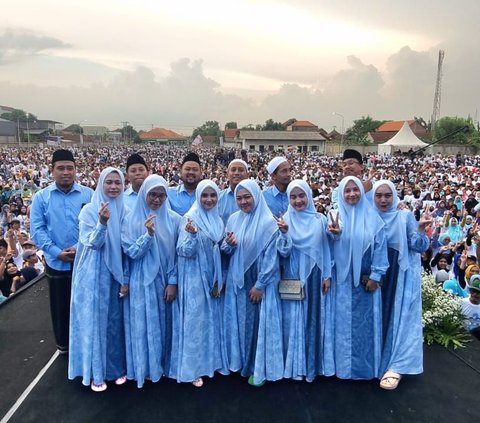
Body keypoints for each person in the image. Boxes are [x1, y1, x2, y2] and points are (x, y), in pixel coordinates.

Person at [68, 167, 128, 392]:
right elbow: (91, 242)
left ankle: (114, 369)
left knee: (114, 323)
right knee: (95, 323)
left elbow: (126, 246)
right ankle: (96, 372)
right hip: (93, 275)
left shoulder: (125, 210)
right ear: (101, 183)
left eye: (118, 183)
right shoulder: (89, 211)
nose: (113, 187)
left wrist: (126, 277)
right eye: (109, 182)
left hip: (116, 273)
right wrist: (102, 223)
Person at [30, 149, 94, 354]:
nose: (65, 172)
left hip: (84, 258)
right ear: (52, 171)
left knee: (86, 304)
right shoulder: (41, 197)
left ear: (76, 170)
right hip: (56, 261)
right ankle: (64, 345)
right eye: (61, 168)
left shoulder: (88, 194)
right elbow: (37, 230)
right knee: (61, 306)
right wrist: (56, 252)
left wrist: (77, 247)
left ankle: (86, 343)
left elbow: (94, 226)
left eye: (69, 168)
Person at [222, 179, 283, 386]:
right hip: (237, 280)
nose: (243, 201)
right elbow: (227, 248)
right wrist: (228, 245)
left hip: (257, 281)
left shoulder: (268, 222)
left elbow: (271, 258)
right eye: (239, 198)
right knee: (239, 321)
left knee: (257, 324)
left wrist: (260, 284)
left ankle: (257, 367)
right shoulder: (233, 219)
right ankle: (239, 361)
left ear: (256, 196)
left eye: (247, 197)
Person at [123, 174, 182, 388]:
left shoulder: (175, 219)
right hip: (142, 281)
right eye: (152, 195)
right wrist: (148, 235)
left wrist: (173, 281)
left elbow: (177, 254)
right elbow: (131, 252)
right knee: (145, 324)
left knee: (167, 323)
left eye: (161, 195)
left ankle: (167, 366)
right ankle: (147, 367)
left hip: (166, 279)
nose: (157, 200)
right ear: (143, 194)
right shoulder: (130, 219)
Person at [372, 180, 431, 390]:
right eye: (378, 195)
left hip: (397, 276)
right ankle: (375, 362)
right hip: (373, 276)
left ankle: (395, 365)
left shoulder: (403, 216)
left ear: (395, 196)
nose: (383, 200)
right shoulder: (368, 216)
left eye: (388, 195)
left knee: (395, 318)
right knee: (376, 318)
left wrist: (422, 229)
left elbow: (418, 246)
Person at [330, 176, 388, 380]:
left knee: (364, 327)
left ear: (362, 192)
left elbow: (380, 248)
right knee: (340, 324)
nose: (352, 194)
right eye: (347, 191)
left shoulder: (373, 218)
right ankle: (340, 369)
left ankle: (365, 370)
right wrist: (335, 235)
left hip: (366, 284)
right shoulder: (334, 216)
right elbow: (327, 248)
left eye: (356, 190)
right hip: (341, 283)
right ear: (341, 194)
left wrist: (376, 275)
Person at [276, 179, 334, 381]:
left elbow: (327, 249)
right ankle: (293, 366)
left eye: (302, 196)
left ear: (309, 196)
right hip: (293, 275)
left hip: (315, 275)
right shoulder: (285, 219)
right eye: (293, 196)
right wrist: (283, 234)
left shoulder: (320, 219)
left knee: (313, 318)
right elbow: (282, 253)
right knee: (293, 319)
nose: (298, 200)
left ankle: (311, 365)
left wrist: (327, 274)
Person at [175, 179, 228, 387]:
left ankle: (211, 362)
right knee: (195, 322)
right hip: (194, 276)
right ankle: (193, 368)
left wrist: (229, 244)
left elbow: (221, 249)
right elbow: (183, 251)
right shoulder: (190, 218)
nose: (208, 199)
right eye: (204, 196)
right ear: (198, 197)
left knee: (212, 321)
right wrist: (192, 235)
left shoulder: (218, 220)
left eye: (212, 195)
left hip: (213, 276)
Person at [218, 159, 249, 224]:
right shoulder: (218, 198)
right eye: (233, 170)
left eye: (241, 170)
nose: (237, 173)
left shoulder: (257, 198)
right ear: (227, 174)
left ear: (247, 175)